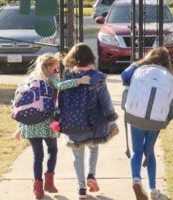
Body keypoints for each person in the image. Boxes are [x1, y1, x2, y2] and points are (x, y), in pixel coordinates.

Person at [14, 53, 91, 200]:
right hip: (48, 122)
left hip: (30, 125)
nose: (58, 72)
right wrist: (79, 80)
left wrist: (20, 126)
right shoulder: (50, 79)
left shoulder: (29, 80)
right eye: (56, 69)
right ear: (49, 68)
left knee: (37, 156)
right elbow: (61, 86)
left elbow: (22, 105)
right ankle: (49, 182)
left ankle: (38, 189)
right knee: (52, 150)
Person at [121, 47, 173, 200]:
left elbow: (124, 75)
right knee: (149, 151)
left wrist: (136, 64)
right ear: (166, 61)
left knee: (137, 151)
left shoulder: (140, 68)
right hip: (156, 120)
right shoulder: (167, 75)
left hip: (136, 115)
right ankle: (153, 189)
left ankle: (136, 179)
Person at [61, 43, 119, 199]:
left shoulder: (67, 77)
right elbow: (106, 103)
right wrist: (112, 122)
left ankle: (81, 189)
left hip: (73, 124)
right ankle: (91, 175)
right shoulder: (97, 77)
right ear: (91, 58)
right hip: (94, 124)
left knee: (77, 156)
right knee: (93, 149)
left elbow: (60, 101)